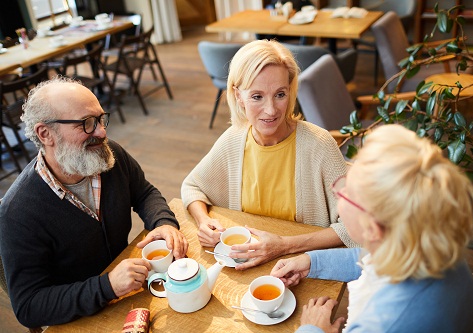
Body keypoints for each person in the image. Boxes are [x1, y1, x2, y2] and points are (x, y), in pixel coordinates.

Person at [0, 77, 189, 328]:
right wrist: (107, 285)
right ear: (45, 134)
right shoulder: (17, 212)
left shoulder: (108, 156)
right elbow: (30, 306)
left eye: (101, 119)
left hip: (129, 293)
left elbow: (144, 192)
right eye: (86, 124)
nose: (101, 132)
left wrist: (163, 222)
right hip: (79, 319)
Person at [270, 124, 473, 333]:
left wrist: (312, 329)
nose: (337, 192)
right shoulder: (429, 243)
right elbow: (372, 259)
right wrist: (311, 262)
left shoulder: (385, 324)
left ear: (372, 229)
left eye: (348, 191)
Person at [181, 39, 356, 271]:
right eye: (257, 96)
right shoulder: (233, 139)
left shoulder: (320, 144)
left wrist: (283, 245)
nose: (271, 110)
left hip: (303, 268)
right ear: (238, 96)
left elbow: (354, 227)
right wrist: (204, 222)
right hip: (246, 267)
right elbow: (192, 187)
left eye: (280, 94)